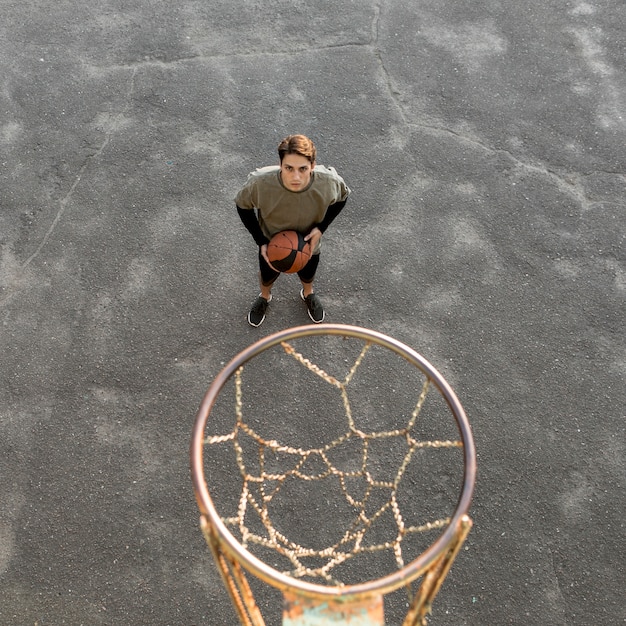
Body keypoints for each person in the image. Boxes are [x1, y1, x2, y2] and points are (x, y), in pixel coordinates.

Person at [235, 134, 350, 327]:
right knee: (267, 276)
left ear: (312, 166)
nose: (296, 177)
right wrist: (261, 241)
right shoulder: (260, 182)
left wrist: (321, 229)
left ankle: (308, 293)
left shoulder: (328, 182)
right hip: (273, 245)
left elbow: (343, 198)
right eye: (289, 168)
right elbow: (242, 206)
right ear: (280, 164)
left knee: (308, 274)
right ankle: (265, 297)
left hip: (309, 245)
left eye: (303, 169)